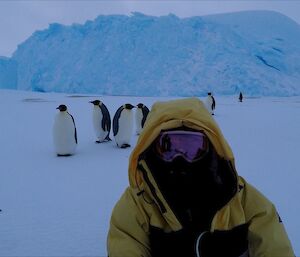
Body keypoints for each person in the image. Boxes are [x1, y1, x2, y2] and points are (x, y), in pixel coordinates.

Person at [107, 98, 294, 257]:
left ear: (211, 147)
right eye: (168, 146)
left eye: (192, 146)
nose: (180, 157)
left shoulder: (244, 202)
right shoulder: (137, 206)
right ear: (151, 149)